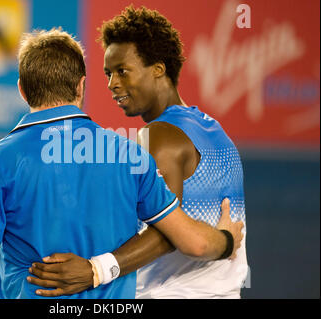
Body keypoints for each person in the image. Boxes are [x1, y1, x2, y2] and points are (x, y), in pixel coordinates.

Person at [0, 28, 243, 299]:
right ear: (81, 87)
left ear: (22, 90)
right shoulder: (131, 155)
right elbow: (193, 242)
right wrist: (227, 240)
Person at [28, 6, 248, 299]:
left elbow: (169, 233)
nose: (112, 84)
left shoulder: (159, 136)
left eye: (123, 71)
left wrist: (95, 270)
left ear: (158, 69)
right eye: (108, 73)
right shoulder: (215, 131)